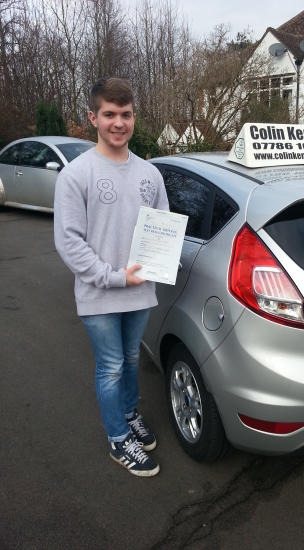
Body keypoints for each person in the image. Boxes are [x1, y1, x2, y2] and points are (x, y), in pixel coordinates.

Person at [54, 77, 169, 477]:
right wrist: (115, 277)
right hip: (99, 293)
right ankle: (119, 440)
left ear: (134, 116)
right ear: (93, 118)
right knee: (111, 366)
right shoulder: (76, 174)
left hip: (140, 293)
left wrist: (154, 267)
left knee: (132, 359)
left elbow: (162, 230)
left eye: (125, 114)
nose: (118, 122)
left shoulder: (151, 174)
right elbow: (69, 243)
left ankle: (129, 414)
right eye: (109, 114)